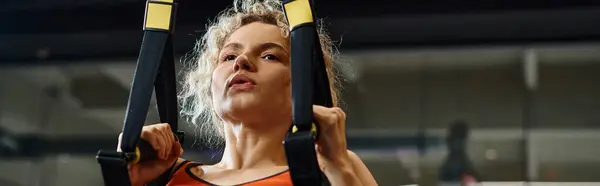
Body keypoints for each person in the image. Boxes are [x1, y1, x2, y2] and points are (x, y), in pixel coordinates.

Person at [118, 0, 378, 185]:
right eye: (229, 55)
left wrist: (339, 168)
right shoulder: (165, 177)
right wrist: (126, 178)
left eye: (269, 55)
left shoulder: (330, 169)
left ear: (303, 86)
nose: (240, 62)